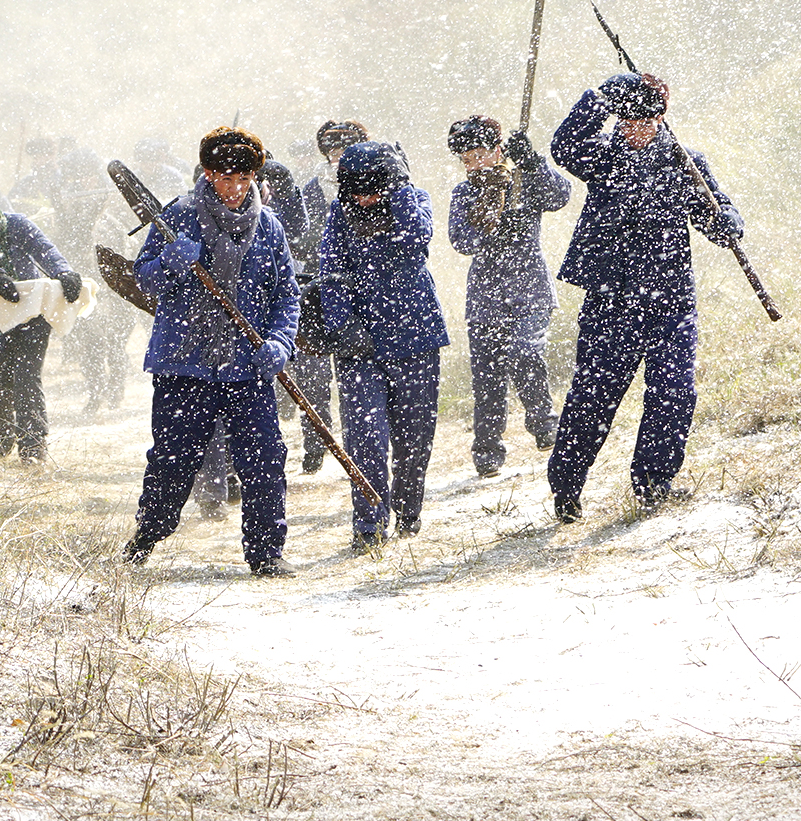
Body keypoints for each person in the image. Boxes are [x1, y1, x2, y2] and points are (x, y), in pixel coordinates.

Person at [546, 73, 746, 523]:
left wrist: (729, 222)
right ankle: (566, 485)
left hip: (671, 301)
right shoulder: (601, 157)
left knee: (674, 393)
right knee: (593, 398)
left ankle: (654, 485)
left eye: (645, 119)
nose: (635, 129)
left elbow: (715, 214)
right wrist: (600, 96)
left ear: (661, 118)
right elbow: (564, 144)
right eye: (627, 118)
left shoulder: (684, 162)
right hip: (610, 302)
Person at [121, 127, 299, 577]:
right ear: (206, 173)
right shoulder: (177, 217)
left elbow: (286, 296)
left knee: (264, 458)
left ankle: (267, 554)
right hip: (184, 364)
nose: (235, 189)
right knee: (174, 460)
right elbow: (143, 282)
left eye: (245, 179)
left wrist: (280, 341)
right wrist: (169, 263)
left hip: (249, 365)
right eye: (225, 179)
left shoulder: (270, 227)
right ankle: (146, 536)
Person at [319, 140, 447, 549]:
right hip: (360, 348)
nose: (364, 197)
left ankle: (409, 510)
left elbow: (416, 236)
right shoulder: (339, 214)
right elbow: (331, 271)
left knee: (415, 436)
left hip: (416, 337)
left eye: (374, 187)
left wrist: (400, 188)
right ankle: (369, 523)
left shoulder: (414, 201)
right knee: (365, 437)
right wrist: (343, 325)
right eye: (355, 188)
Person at [447, 115, 572, 477]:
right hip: (486, 296)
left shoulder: (522, 179)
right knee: (487, 376)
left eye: (479, 154)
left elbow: (559, 195)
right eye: (466, 160)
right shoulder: (464, 193)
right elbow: (461, 241)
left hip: (530, 289)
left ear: (498, 150)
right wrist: (487, 217)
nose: (474, 164)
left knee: (525, 350)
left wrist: (532, 162)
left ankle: (545, 423)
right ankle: (487, 451)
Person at [0, 189, 82, 461]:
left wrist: (64, 273)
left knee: (27, 380)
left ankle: (33, 448)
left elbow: (45, 251)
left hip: (32, 313)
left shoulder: (18, 224)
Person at [291, 120, 366, 473]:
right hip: (317, 289)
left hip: (362, 291)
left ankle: (358, 449)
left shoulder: (376, 182)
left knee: (356, 377)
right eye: (333, 150)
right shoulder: (311, 189)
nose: (339, 156)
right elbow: (300, 234)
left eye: (346, 148)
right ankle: (316, 442)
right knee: (313, 375)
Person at [48, 145, 130, 416]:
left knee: (116, 343)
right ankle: (96, 393)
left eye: (87, 177)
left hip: (114, 287)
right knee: (91, 346)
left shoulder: (112, 213)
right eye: (76, 178)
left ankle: (116, 391)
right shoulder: (67, 215)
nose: (82, 183)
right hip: (84, 286)